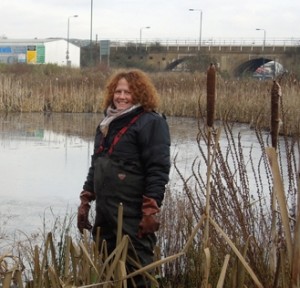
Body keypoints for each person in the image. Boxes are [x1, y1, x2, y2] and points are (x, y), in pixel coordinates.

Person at [77, 69, 171, 287]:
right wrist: (85, 200)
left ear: (138, 94)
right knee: (108, 270)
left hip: (132, 215)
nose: (121, 96)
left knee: (137, 272)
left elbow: (158, 169)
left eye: (128, 92)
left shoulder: (151, 122)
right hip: (105, 213)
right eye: (118, 91)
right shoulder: (106, 125)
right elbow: (96, 165)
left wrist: (150, 209)